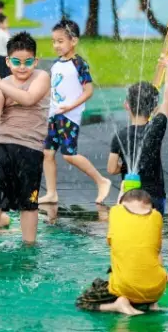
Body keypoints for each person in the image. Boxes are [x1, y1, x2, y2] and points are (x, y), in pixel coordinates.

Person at [0, 32, 50, 248]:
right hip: (1, 145)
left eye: (28, 61)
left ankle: (29, 246)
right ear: (8, 61)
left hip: (30, 147)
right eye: (17, 62)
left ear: (35, 61)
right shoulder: (4, 83)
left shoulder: (41, 77)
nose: (22, 67)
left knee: (28, 202)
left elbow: (29, 99)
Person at [40, 19, 111, 205]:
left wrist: (70, 107)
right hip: (54, 116)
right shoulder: (56, 64)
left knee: (69, 154)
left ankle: (101, 180)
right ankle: (52, 193)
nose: (56, 45)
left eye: (60, 41)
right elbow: (52, 90)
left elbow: (88, 91)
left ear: (74, 41)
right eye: (54, 41)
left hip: (69, 117)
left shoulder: (79, 64)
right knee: (47, 153)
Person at [76, 189, 166, 316]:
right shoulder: (157, 217)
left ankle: (117, 305)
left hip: (126, 287)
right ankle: (150, 303)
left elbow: (114, 242)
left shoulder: (116, 213)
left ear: (122, 204)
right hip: (157, 289)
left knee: (82, 302)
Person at [107, 55, 168, 215]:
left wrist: (126, 166)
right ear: (154, 108)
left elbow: (111, 169)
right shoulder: (156, 128)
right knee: (152, 233)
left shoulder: (120, 136)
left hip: (130, 197)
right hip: (155, 197)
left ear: (127, 106)